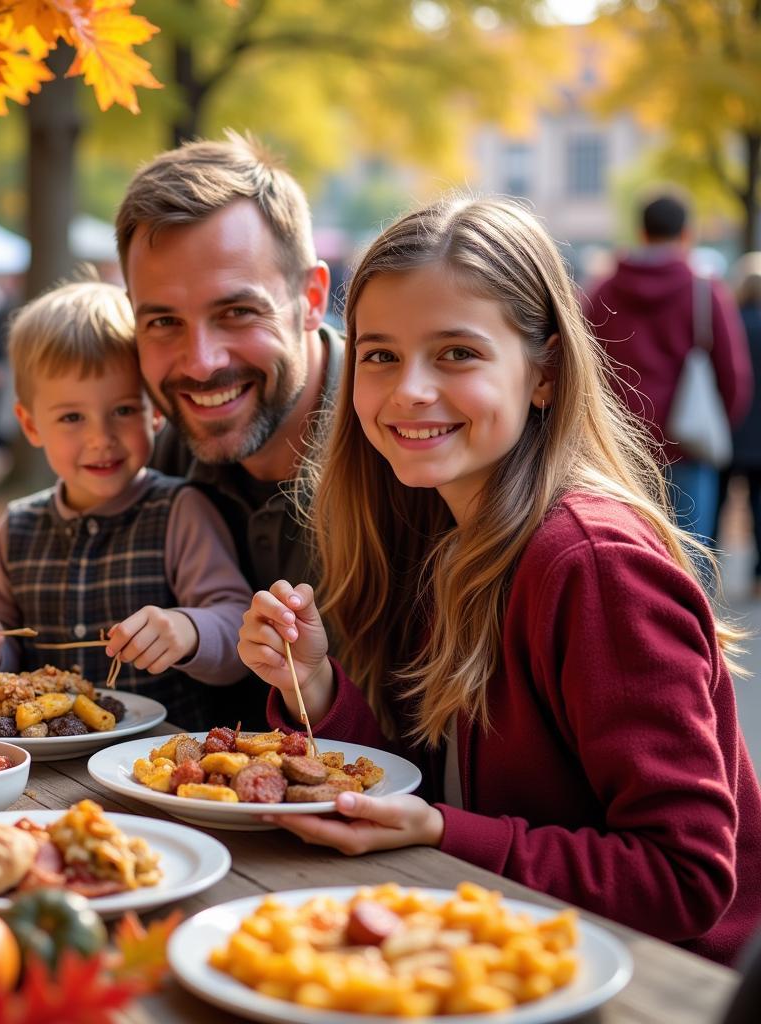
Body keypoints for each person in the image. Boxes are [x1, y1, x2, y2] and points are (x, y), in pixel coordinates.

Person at [238, 196, 761, 965]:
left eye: (456, 353)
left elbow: (683, 878)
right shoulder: (435, 528)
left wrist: (450, 835)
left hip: (666, 983)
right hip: (503, 947)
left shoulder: (594, 565)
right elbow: (436, 778)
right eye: (380, 354)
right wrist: (313, 684)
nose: (410, 388)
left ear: (543, 372)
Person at [0, 280, 252, 730]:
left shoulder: (180, 511)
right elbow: (3, 639)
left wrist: (189, 630)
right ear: (31, 425)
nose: (100, 438)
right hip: (47, 767)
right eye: (72, 417)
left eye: (123, 410)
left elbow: (237, 625)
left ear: (155, 411)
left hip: (155, 767)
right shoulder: (18, 528)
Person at [115, 131, 337, 724]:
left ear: (311, 298)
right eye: (163, 321)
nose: (201, 362)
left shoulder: (405, 448)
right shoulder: (158, 457)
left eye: (236, 312)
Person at [582, 193, 752, 546]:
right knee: (689, 557)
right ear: (687, 234)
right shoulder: (704, 291)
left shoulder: (602, 291)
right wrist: (716, 426)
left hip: (619, 444)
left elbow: (582, 364)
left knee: (628, 550)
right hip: (687, 442)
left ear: (641, 233)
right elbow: (734, 375)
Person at [717, 253, 761, 597]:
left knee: (716, 503)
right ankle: (758, 576)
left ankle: (709, 572)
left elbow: (727, 375)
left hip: (730, 430)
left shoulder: (730, 323)